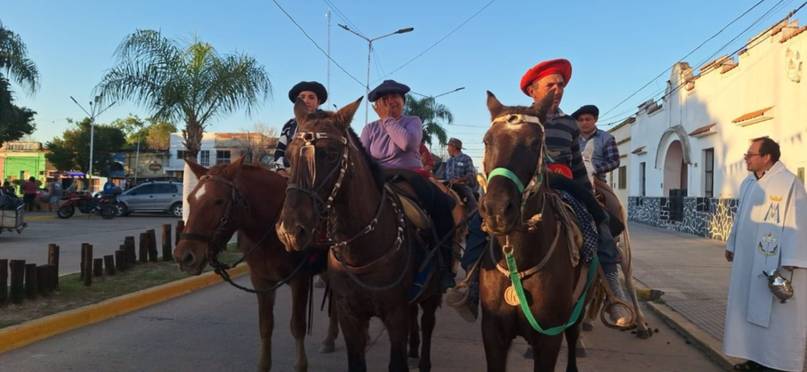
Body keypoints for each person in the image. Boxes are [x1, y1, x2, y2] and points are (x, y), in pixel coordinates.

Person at [520, 58, 629, 324]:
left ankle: (613, 287)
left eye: (561, 85)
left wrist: (589, 196)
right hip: (527, 187)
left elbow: (577, 165)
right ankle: (473, 285)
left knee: (600, 221)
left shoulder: (569, 124)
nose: (557, 90)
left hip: (564, 185)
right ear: (533, 90)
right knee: (484, 222)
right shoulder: (520, 120)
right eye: (550, 85)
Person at [360, 79, 457, 290]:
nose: (391, 101)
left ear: (403, 101)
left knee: (443, 206)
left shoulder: (413, 121)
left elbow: (406, 143)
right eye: (384, 99)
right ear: (377, 105)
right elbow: (364, 159)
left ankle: (445, 268)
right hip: (379, 177)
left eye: (395, 97)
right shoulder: (369, 129)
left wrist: (387, 120)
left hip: (411, 176)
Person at [723, 138, 807, 372]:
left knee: (777, 317)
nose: (746, 158)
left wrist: (792, 260)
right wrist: (732, 244)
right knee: (746, 307)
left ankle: (777, 363)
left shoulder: (789, 183)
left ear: (767, 157)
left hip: (778, 267)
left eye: (750, 154)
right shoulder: (749, 183)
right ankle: (754, 357)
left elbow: (800, 222)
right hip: (749, 261)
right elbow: (740, 217)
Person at [440, 138, 487, 321]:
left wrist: (460, 180)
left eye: (450, 146)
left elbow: (471, 176)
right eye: (448, 147)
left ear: (455, 147)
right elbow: (442, 173)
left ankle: (473, 218)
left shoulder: (465, 159)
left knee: (470, 199)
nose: (448, 149)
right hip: (449, 185)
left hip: (463, 187)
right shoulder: (448, 161)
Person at [273, 81, 328, 175]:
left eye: (311, 97)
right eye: (302, 97)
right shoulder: (289, 125)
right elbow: (279, 151)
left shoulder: (326, 123)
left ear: (318, 102)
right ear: (296, 103)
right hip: (288, 174)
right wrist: (281, 170)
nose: (306, 100)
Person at [572, 105, 619, 182]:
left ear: (595, 119)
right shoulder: (571, 138)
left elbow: (614, 161)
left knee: (609, 194)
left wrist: (593, 168)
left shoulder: (606, 138)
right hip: (573, 180)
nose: (584, 123)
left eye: (588, 119)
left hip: (597, 180)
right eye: (581, 120)